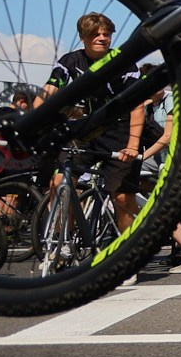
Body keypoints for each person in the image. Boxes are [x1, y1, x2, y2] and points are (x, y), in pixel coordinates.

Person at [41, 12, 146, 235]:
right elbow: (50, 89)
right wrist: (31, 118)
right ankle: (63, 242)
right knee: (59, 183)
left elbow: (137, 105)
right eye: (95, 34)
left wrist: (133, 145)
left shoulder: (124, 62)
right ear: (82, 37)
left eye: (106, 34)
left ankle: (126, 251)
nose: (101, 38)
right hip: (87, 131)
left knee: (121, 197)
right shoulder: (71, 61)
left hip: (120, 132)